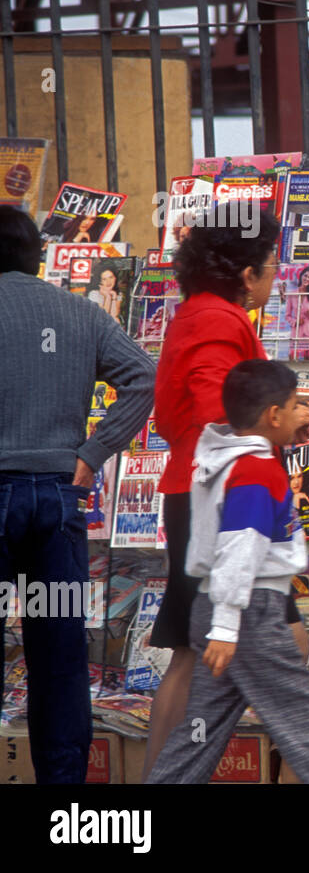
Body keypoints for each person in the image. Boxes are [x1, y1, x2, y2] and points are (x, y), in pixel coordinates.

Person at [146, 204, 309, 779]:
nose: (275, 275)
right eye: (271, 265)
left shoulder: (197, 314)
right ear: (248, 274)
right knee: (270, 643)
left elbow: (176, 413)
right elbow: (221, 410)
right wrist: (274, 426)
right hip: (224, 499)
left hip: (204, 493)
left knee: (201, 654)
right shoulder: (218, 321)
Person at [0, 208, 153, 783]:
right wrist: (93, 454)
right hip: (58, 506)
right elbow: (143, 376)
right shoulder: (79, 314)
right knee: (59, 655)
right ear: (37, 257)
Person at [147, 360, 309, 784]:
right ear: (272, 416)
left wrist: (220, 624)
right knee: (302, 723)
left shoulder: (223, 458)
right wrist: (227, 627)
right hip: (249, 612)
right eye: (297, 406)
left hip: (216, 605)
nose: (306, 414)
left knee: (200, 733)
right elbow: (240, 548)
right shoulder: (257, 471)